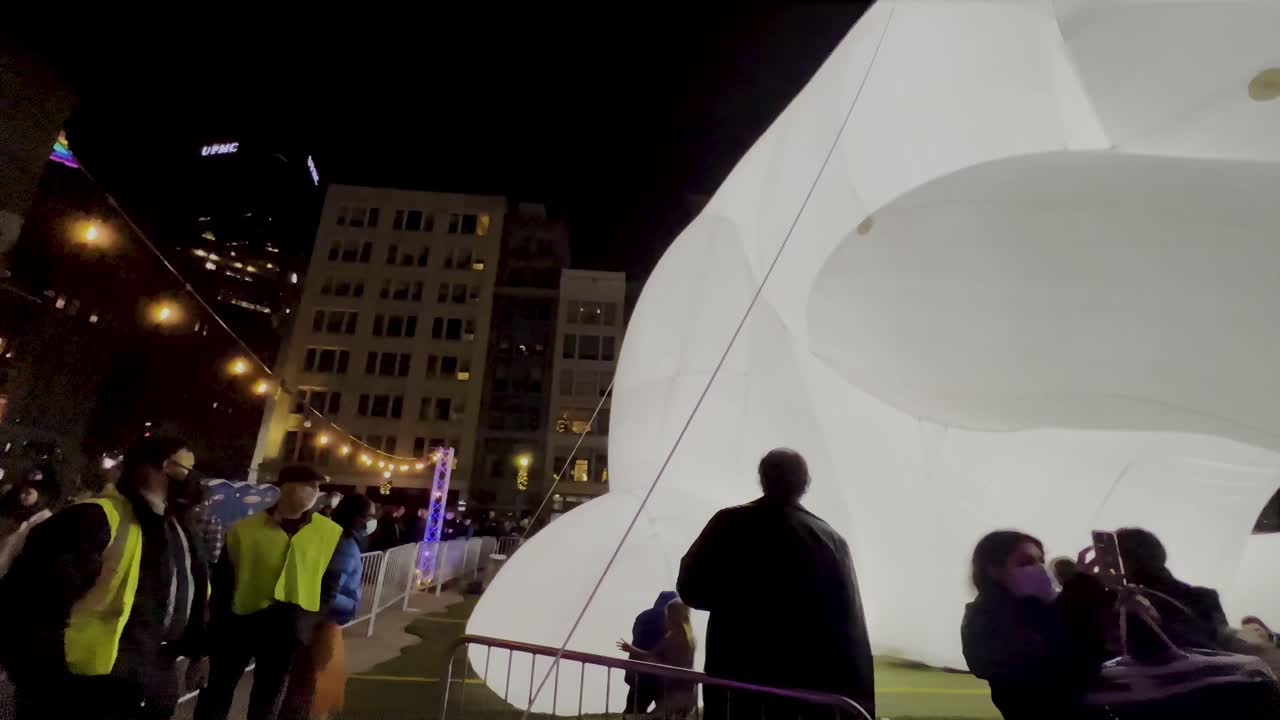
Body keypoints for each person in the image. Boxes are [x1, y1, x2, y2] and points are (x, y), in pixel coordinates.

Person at [0, 436, 210, 720]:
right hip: (81, 686)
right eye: (187, 468)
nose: (193, 478)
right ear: (163, 467)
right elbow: (30, 602)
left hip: (152, 677)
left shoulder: (180, 528)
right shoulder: (94, 518)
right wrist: (40, 678)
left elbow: (195, 594)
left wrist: (199, 651)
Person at [678, 449, 874, 719]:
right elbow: (849, 629)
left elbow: (690, 588)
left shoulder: (728, 523)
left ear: (762, 478)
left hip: (734, 679)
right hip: (802, 692)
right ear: (805, 484)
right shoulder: (831, 541)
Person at [196, 465, 344, 720]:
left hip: (288, 628)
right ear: (286, 487)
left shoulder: (329, 533)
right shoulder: (243, 530)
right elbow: (223, 584)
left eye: (318, 487)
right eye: (310, 485)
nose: (315, 492)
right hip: (239, 623)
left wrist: (307, 621)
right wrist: (216, 628)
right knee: (217, 693)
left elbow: (329, 585)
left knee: (268, 698)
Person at [961, 530, 1109, 720]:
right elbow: (1061, 671)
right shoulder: (983, 619)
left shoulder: (1046, 608)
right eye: (1026, 563)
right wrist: (1079, 594)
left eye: (1041, 561)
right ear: (994, 570)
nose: (1040, 568)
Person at [279, 493, 375, 719]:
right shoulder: (344, 544)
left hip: (314, 622)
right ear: (358, 517)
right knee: (309, 691)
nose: (372, 520)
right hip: (321, 626)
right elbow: (328, 590)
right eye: (369, 515)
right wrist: (348, 605)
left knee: (306, 688)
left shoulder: (327, 534)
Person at [1115, 527, 1228, 650]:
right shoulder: (1107, 598)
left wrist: (1155, 622)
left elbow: (1208, 646)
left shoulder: (1200, 597)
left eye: (1116, 556)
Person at [618, 599, 698, 719]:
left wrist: (650, 661)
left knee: (640, 717)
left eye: (668, 616)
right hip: (684, 692)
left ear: (673, 617)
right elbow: (653, 654)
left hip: (677, 694)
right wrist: (632, 650)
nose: (665, 620)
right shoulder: (686, 636)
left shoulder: (676, 638)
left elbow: (673, 666)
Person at [622, 591, 679, 713]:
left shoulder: (643, 616)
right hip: (662, 676)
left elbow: (637, 638)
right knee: (666, 713)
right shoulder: (672, 619)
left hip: (639, 673)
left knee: (633, 711)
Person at [0, 482, 53, 576]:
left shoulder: (45, 519)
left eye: (28, 492)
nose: (22, 495)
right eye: (21, 492)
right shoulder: (21, 517)